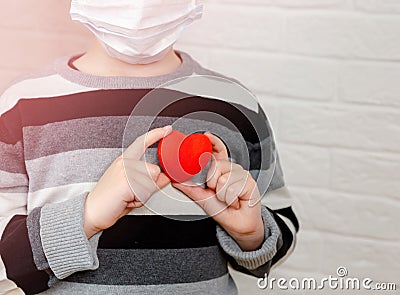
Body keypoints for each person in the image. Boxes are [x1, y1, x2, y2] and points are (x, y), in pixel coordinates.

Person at [0, 1, 299, 294]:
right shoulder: (22, 104)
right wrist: (86, 216)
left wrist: (251, 233)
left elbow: (279, 239)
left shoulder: (236, 105)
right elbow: (5, 266)